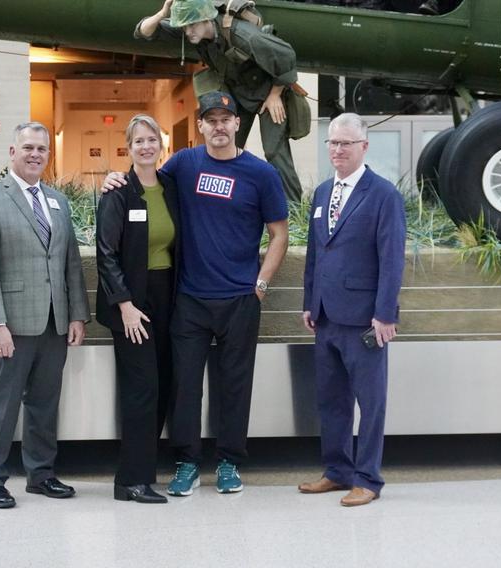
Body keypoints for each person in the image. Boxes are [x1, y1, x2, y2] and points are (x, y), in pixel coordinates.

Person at [102, 91, 289, 496]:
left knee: (235, 384)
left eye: (226, 119)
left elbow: (279, 233)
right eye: (211, 120)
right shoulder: (184, 164)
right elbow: (145, 180)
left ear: (238, 124)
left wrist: (261, 284)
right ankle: (186, 462)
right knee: (185, 385)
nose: (218, 126)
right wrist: (114, 178)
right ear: (200, 125)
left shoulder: (261, 174)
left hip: (240, 297)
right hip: (188, 298)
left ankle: (228, 462)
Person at [0, 121, 90, 509]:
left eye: (42, 149)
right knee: (2, 406)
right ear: (12, 152)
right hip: (11, 325)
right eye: (28, 148)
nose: (36, 154)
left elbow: (71, 263)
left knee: (44, 403)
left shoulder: (58, 201)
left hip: (54, 323)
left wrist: (76, 316)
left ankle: (41, 475)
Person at [299, 113, 405, 506]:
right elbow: (316, 252)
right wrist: (309, 302)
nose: (338, 149)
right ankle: (337, 471)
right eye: (332, 143)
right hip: (325, 316)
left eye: (346, 143)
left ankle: (368, 479)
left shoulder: (383, 195)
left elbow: (391, 259)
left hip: (364, 319)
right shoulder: (323, 192)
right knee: (331, 400)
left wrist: (385, 314)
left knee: (370, 402)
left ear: (364, 146)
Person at [135, 0, 304, 202]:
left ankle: (294, 212)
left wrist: (275, 94)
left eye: (191, 25)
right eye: (184, 27)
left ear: (206, 18)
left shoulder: (243, 35)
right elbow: (143, 31)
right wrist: (163, 13)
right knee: (224, 148)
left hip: (268, 93)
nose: (187, 32)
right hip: (238, 94)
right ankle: (227, 202)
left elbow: (286, 55)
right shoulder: (192, 28)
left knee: (274, 151)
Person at [96, 115, 180, 505]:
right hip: (132, 301)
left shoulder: (170, 188)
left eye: (152, 140)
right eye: (137, 142)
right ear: (127, 149)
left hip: (167, 298)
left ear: (161, 146)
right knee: (141, 389)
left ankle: (141, 474)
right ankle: (132, 480)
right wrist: (126, 306)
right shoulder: (118, 192)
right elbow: (106, 253)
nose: (146, 147)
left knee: (162, 386)